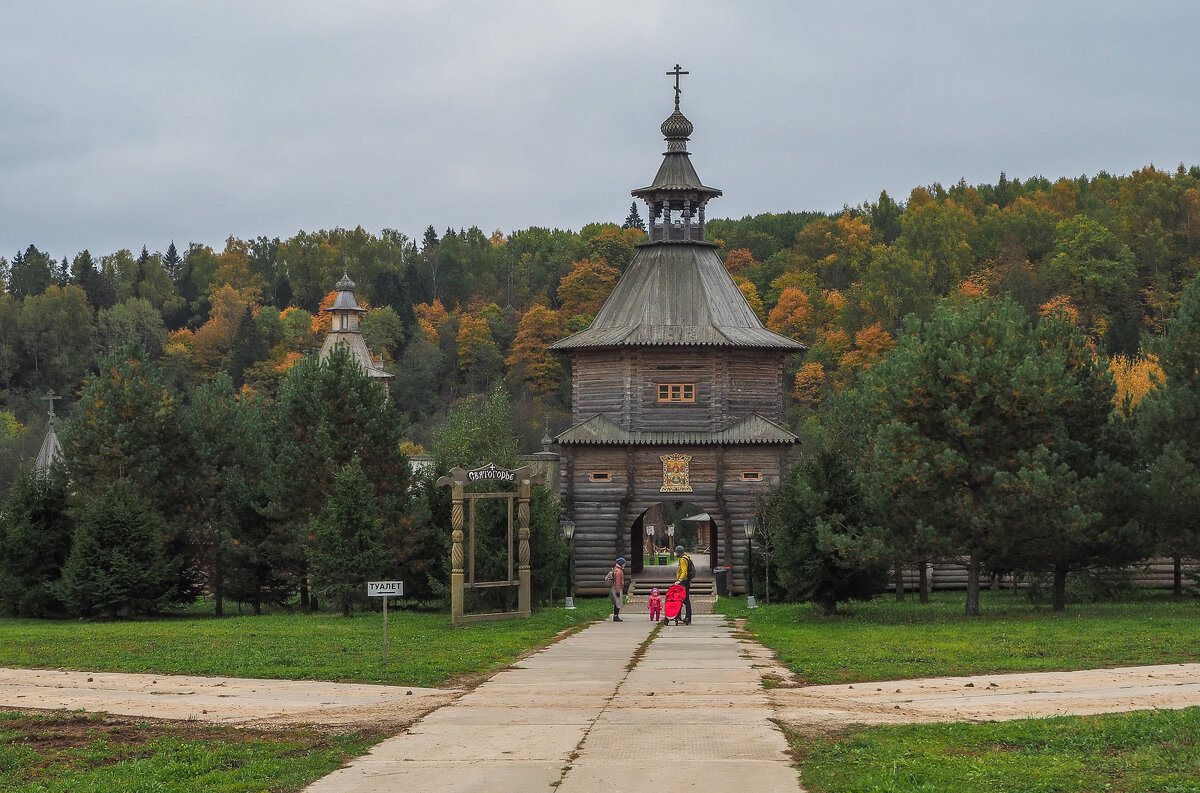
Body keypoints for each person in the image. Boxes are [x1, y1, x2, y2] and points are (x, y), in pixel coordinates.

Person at [674, 545, 693, 625]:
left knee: (683, 599)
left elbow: (684, 571)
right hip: (687, 581)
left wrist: (679, 580)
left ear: (679, 552)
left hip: (683, 582)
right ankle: (688, 617)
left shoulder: (682, 559)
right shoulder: (688, 557)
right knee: (686, 600)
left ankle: (684, 617)